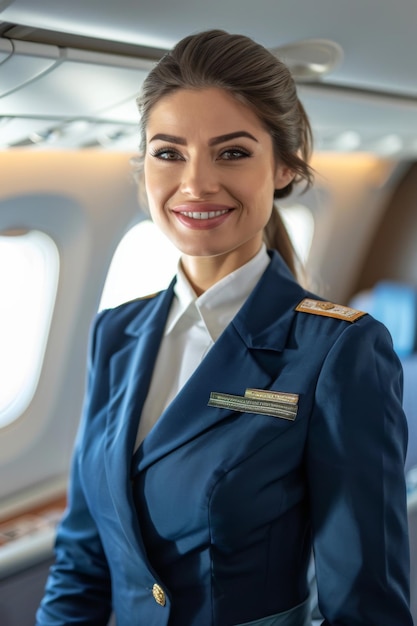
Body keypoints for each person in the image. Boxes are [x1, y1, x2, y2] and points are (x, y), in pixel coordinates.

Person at [36, 29, 413, 626]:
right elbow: (83, 560)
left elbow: (366, 602)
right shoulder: (117, 332)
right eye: (169, 152)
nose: (196, 184)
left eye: (232, 152)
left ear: (285, 167)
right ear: (144, 171)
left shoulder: (338, 349)